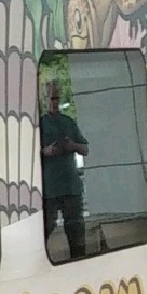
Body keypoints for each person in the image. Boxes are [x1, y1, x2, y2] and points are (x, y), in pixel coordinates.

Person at [40, 78, 90, 262]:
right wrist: (46, 151)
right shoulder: (39, 125)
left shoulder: (68, 122)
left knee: (76, 232)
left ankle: (79, 263)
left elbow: (85, 148)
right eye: (51, 98)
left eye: (56, 98)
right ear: (44, 99)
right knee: (45, 230)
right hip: (49, 190)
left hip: (71, 187)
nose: (54, 102)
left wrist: (72, 145)